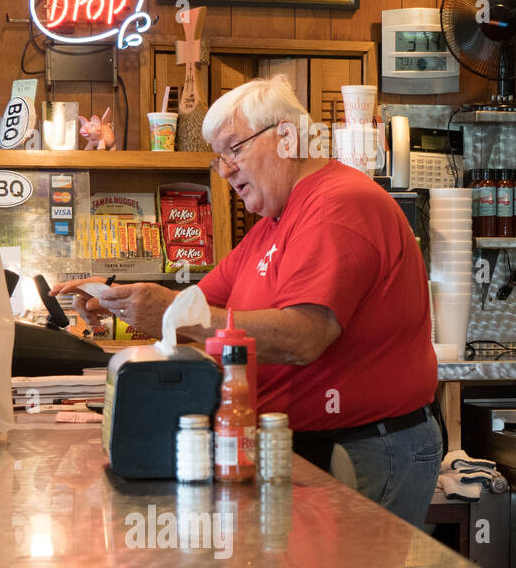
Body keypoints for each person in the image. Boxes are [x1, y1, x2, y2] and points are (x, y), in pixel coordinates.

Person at [53, 76, 442, 528]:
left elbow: (303, 337)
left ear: (288, 136)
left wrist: (178, 313)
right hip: (301, 446)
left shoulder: (337, 205)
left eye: (235, 149)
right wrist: (118, 298)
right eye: (219, 158)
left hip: (362, 448)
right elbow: (197, 304)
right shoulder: (272, 224)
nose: (225, 169)